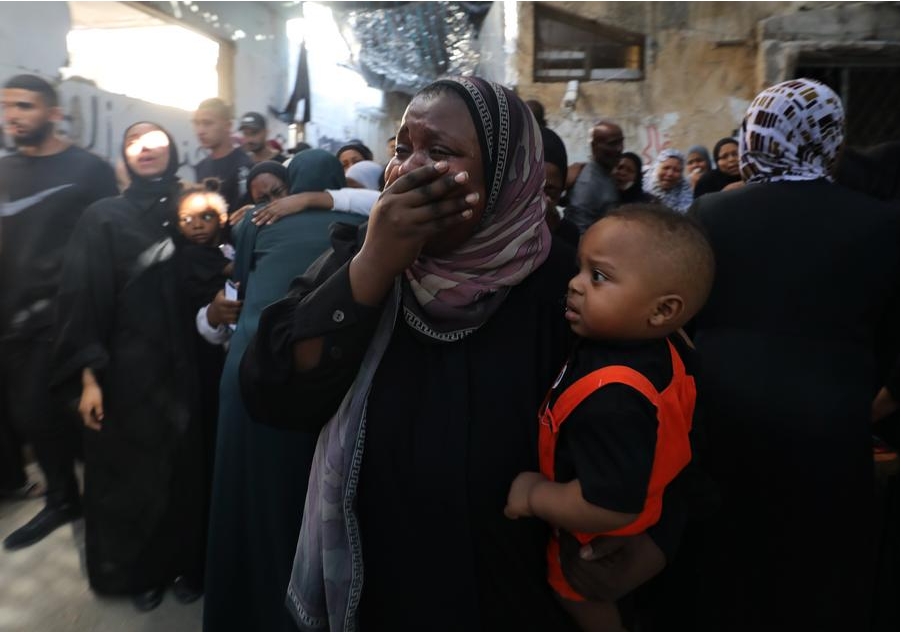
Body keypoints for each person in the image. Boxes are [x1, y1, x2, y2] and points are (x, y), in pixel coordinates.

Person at [241, 76, 686, 632]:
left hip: (516, 597)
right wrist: (373, 265)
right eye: (403, 149)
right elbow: (271, 390)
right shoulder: (364, 262)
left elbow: (667, 428)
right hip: (388, 592)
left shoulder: (574, 291)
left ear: (504, 175)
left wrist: (658, 541)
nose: (409, 168)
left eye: (441, 151)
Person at [688, 78, 899, 631]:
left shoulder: (709, 214)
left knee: (725, 577)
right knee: (817, 582)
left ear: (756, 134)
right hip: (829, 443)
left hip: (720, 432)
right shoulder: (882, 224)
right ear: (832, 140)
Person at [505, 204, 714, 632]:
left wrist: (533, 495)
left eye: (597, 276)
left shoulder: (614, 398)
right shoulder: (667, 349)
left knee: (577, 594)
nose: (575, 284)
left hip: (596, 542)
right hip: (658, 511)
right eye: (580, 268)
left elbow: (608, 507)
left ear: (662, 311)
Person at [202, 149, 366, 632]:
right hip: (327, 379)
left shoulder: (259, 219)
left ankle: (238, 611)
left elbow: (241, 284)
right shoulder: (366, 225)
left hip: (249, 370)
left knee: (243, 498)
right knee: (310, 506)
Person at [51, 122, 208, 612]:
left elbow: (216, 273)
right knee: (130, 477)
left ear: (174, 152)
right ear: (123, 154)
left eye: (157, 141)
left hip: (190, 365)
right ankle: (141, 572)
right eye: (135, 140)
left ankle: (187, 562)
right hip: (126, 372)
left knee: (187, 470)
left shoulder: (193, 210)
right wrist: (90, 376)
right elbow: (82, 298)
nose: (146, 149)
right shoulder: (104, 217)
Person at [0, 74, 118, 550]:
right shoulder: (4, 170)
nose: (13, 116)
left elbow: (114, 237)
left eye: (25, 106)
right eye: (7, 107)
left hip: (74, 315)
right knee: (32, 417)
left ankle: (113, 510)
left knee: (93, 418)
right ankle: (62, 499)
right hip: (13, 317)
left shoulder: (89, 169)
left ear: (52, 113)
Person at [193, 98, 254, 216]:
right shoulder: (201, 167)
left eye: (207, 123)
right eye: (196, 123)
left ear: (228, 125)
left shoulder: (244, 166)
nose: (200, 131)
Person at [563, 120, 623, 233]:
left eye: (621, 142)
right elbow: (579, 232)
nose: (619, 149)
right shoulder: (588, 184)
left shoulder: (607, 175)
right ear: (594, 146)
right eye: (612, 144)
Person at [540, 125, 580, 246]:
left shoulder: (569, 234)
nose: (541, 199)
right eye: (532, 190)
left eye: (550, 190)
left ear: (561, 188)